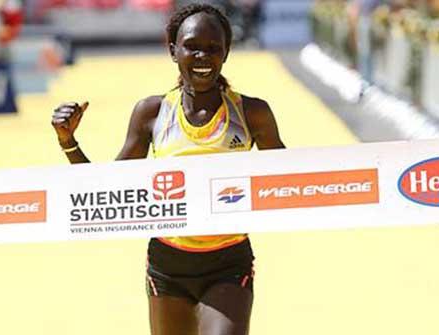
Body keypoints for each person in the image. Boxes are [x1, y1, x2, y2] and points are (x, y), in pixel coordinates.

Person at [51, 3, 285, 334]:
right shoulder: (152, 113)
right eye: (192, 46)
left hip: (228, 262)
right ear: (173, 50)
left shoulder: (252, 113)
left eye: (213, 48)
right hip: (167, 266)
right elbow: (106, 190)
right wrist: (68, 141)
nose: (202, 56)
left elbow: (289, 182)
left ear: (226, 52)